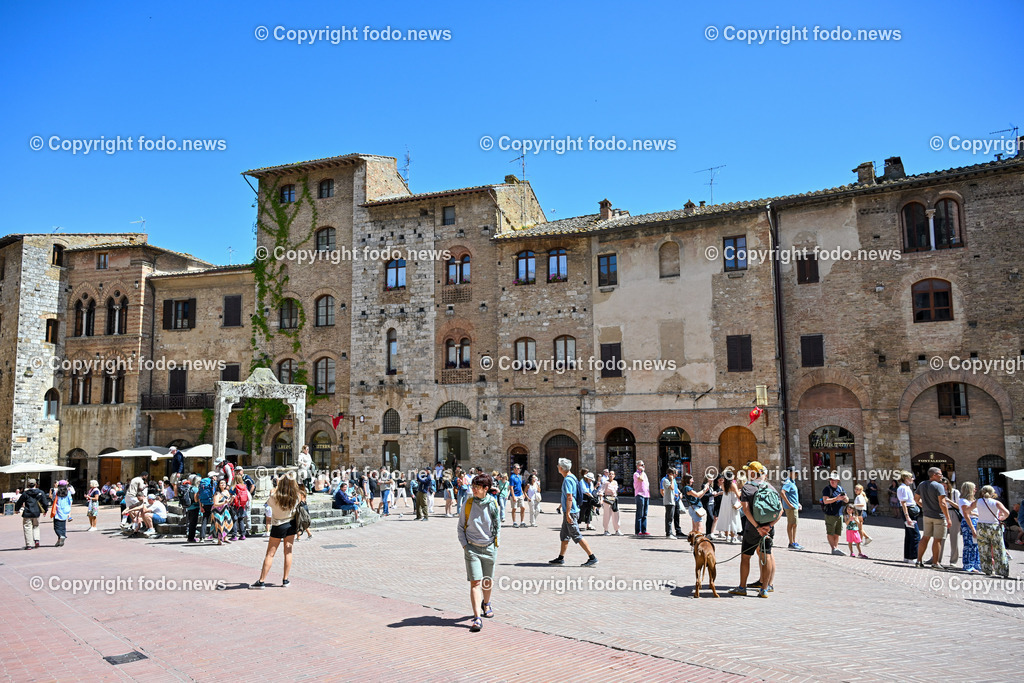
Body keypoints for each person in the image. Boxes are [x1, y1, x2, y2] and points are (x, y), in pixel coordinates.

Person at [729, 462, 782, 598]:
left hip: (752, 529)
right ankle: (764, 589)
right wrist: (769, 526)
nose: (747, 473)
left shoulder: (747, 487)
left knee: (746, 557)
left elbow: (745, 510)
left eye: (749, 471)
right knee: (767, 556)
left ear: (753, 474)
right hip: (768, 529)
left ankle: (742, 587)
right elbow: (780, 510)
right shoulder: (771, 487)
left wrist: (757, 527)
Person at [458, 473, 501, 633]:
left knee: (487, 581)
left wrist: (495, 545)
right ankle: (477, 617)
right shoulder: (467, 504)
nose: (473, 490)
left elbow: (497, 526)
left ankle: (486, 603)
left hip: (489, 548)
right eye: (472, 486)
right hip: (472, 549)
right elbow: (460, 526)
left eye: (476, 487)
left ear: (486, 489)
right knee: (475, 583)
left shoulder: (493, 504)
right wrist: (465, 546)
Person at [250, 475, 300, 589]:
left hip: (278, 525)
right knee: (288, 552)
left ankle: (262, 581)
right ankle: (285, 580)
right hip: (291, 524)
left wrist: (278, 487)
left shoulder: (274, 496)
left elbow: (268, 503)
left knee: (270, 554)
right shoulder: (296, 496)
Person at [548, 458, 598, 567]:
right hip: (571, 510)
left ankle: (592, 557)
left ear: (561, 468)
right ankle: (560, 558)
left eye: (558, 466)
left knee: (576, 535)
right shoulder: (573, 477)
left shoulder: (567, 480)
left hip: (571, 511)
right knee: (564, 535)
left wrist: (568, 514)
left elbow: (569, 497)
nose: (557, 467)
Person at [915, 466, 953, 570]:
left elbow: (916, 499)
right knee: (937, 540)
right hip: (938, 516)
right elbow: (943, 503)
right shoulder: (939, 486)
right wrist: (948, 518)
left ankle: (919, 561)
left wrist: (924, 506)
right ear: (934, 475)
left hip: (926, 515)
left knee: (925, 537)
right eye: (940, 474)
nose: (942, 476)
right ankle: (935, 563)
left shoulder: (922, 484)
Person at [972, 485, 1011, 577]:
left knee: (984, 548)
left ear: (982, 492)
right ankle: (1002, 570)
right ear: (992, 493)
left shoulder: (978, 501)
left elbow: (967, 510)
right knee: (999, 548)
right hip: (994, 526)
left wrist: (976, 515)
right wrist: (1001, 518)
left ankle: (987, 569)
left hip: (981, 525)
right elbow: (1007, 513)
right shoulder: (996, 502)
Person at [15, 480, 50, 550]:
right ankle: (36, 540)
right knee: (36, 526)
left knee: (27, 528)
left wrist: (17, 509)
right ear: (36, 484)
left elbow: (19, 502)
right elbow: (45, 502)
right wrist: (45, 510)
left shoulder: (25, 493)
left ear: (28, 485)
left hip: (27, 512)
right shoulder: (40, 492)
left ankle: (29, 545)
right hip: (36, 513)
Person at [820, 473, 849, 556]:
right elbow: (825, 501)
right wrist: (837, 498)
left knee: (837, 532)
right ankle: (833, 548)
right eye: (831, 480)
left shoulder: (840, 489)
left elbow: (846, 500)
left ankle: (836, 548)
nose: (832, 481)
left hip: (839, 513)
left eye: (834, 480)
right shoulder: (827, 489)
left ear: (838, 481)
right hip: (830, 513)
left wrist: (844, 498)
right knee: (830, 532)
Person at [896, 471, 921, 564]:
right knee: (915, 535)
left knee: (909, 535)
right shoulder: (903, 488)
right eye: (911, 477)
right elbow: (903, 503)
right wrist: (907, 517)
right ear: (906, 478)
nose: (912, 479)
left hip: (911, 511)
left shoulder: (906, 488)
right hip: (909, 512)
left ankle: (907, 556)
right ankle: (913, 557)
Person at [958, 482, 982, 574]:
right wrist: (972, 528)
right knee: (969, 544)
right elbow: (966, 515)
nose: (975, 490)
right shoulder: (963, 501)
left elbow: (971, 513)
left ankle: (976, 564)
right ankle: (968, 565)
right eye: (974, 488)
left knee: (975, 544)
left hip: (975, 522)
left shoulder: (971, 501)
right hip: (969, 523)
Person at [780, 470, 804, 550]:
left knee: (794, 524)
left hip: (794, 506)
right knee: (792, 524)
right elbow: (782, 493)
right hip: (791, 508)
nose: (796, 475)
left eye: (797, 473)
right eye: (795, 473)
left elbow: (793, 495)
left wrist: (798, 503)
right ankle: (791, 542)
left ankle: (793, 541)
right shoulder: (788, 482)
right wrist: (790, 504)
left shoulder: (792, 482)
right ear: (790, 473)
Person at [716, 473, 742, 544]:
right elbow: (738, 495)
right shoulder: (732, 484)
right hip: (732, 502)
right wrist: (741, 491)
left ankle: (727, 536)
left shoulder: (723, 484)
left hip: (725, 503)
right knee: (732, 519)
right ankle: (733, 537)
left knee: (726, 518)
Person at [943, 477, 962, 567]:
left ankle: (953, 561)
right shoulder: (938, 492)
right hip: (942, 513)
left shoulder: (955, 492)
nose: (944, 487)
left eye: (945, 485)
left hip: (952, 512)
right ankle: (936, 559)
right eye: (941, 486)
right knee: (940, 537)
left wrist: (949, 501)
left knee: (954, 538)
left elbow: (959, 506)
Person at [660, 467, 683, 538]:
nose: (675, 475)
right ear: (670, 474)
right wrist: (672, 480)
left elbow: (673, 489)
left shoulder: (672, 480)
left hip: (674, 500)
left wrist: (678, 493)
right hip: (669, 501)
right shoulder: (666, 480)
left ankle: (675, 531)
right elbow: (671, 488)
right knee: (669, 518)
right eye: (674, 474)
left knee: (674, 516)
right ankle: (669, 533)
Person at [50, 481, 73, 547]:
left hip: (58, 510)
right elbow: (70, 501)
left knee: (56, 526)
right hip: (65, 510)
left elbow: (54, 499)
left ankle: (60, 535)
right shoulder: (68, 492)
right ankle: (60, 539)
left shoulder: (56, 492)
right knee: (63, 526)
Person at [180, 475, 201, 543]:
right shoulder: (195, 489)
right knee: (193, 523)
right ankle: (191, 538)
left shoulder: (190, 487)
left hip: (189, 507)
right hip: (194, 507)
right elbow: (195, 499)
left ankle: (190, 537)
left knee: (191, 523)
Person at [212, 479, 234, 545]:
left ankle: (225, 537)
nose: (223, 484)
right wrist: (224, 502)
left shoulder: (226, 492)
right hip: (217, 511)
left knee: (229, 523)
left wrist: (232, 499)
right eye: (221, 483)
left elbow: (228, 502)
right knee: (220, 525)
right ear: (218, 485)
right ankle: (219, 540)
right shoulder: (217, 494)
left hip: (224, 510)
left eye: (224, 483)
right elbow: (215, 504)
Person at [229, 475, 250, 541]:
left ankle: (234, 535)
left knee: (234, 520)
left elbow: (230, 494)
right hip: (242, 505)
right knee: (241, 520)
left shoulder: (234, 487)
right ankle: (243, 535)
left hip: (235, 505)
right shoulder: (244, 486)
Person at [600, 469, 621, 535]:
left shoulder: (615, 482)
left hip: (614, 499)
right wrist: (601, 499)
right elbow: (601, 491)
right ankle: (606, 530)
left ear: (614, 476)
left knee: (616, 514)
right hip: (607, 500)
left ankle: (617, 530)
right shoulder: (605, 483)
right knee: (607, 515)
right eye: (610, 474)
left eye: (612, 474)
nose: (611, 475)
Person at [633, 461, 650, 537]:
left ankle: (644, 530)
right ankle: (638, 530)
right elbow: (641, 479)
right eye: (641, 465)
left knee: (645, 513)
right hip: (639, 494)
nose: (643, 466)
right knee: (639, 513)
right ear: (637, 466)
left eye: (644, 464)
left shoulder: (644, 474)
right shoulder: (636, 474)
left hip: (646, 495)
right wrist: (642, 471)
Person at [197, 471, 216, 541]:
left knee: (204, 520)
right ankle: (213, 537)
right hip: (212, 503)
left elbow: (199, 494)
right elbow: (215, 493)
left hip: (204, 503)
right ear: (213, 476)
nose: (216, 478)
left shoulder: (202, 483)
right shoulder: (213, 482)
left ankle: (202, 537)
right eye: (215, 476)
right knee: (214, 520)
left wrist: (200, 506)